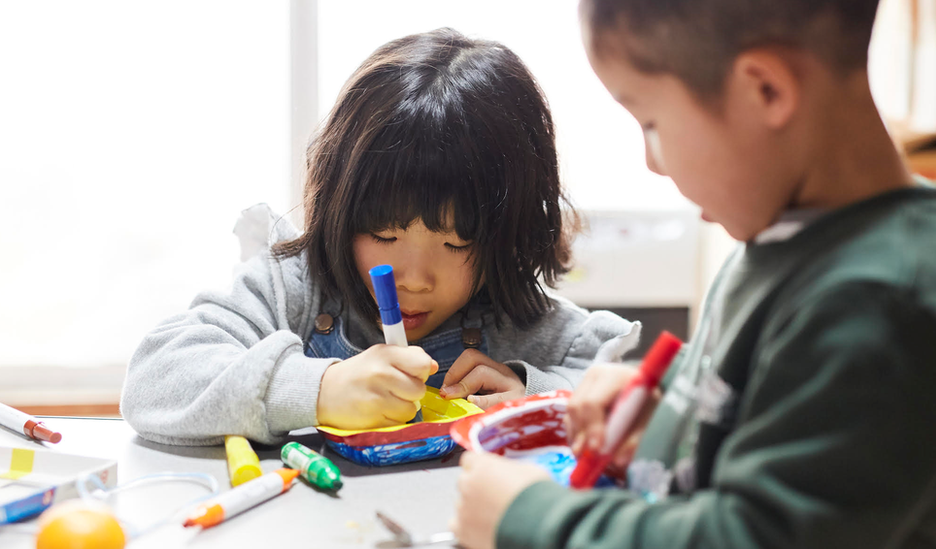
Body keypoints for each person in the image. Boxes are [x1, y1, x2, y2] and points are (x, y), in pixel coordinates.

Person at [452, 1, 936, 548]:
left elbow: (754, 535)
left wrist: (536, 521)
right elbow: (769, 392)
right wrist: (671, 412)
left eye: (651, 122)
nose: (653, 161)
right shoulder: (785, 241)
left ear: (766, 91)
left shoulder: (882, 302)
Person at [120, 28, 640, 446]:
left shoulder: (518, 316)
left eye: (457, 243)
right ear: (339, 209)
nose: (412, 279)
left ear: (511, 233)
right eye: (383, 233)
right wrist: (319, 390)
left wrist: (537, 401)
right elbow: (155, 378)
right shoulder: (294, 289)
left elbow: (626, 401)